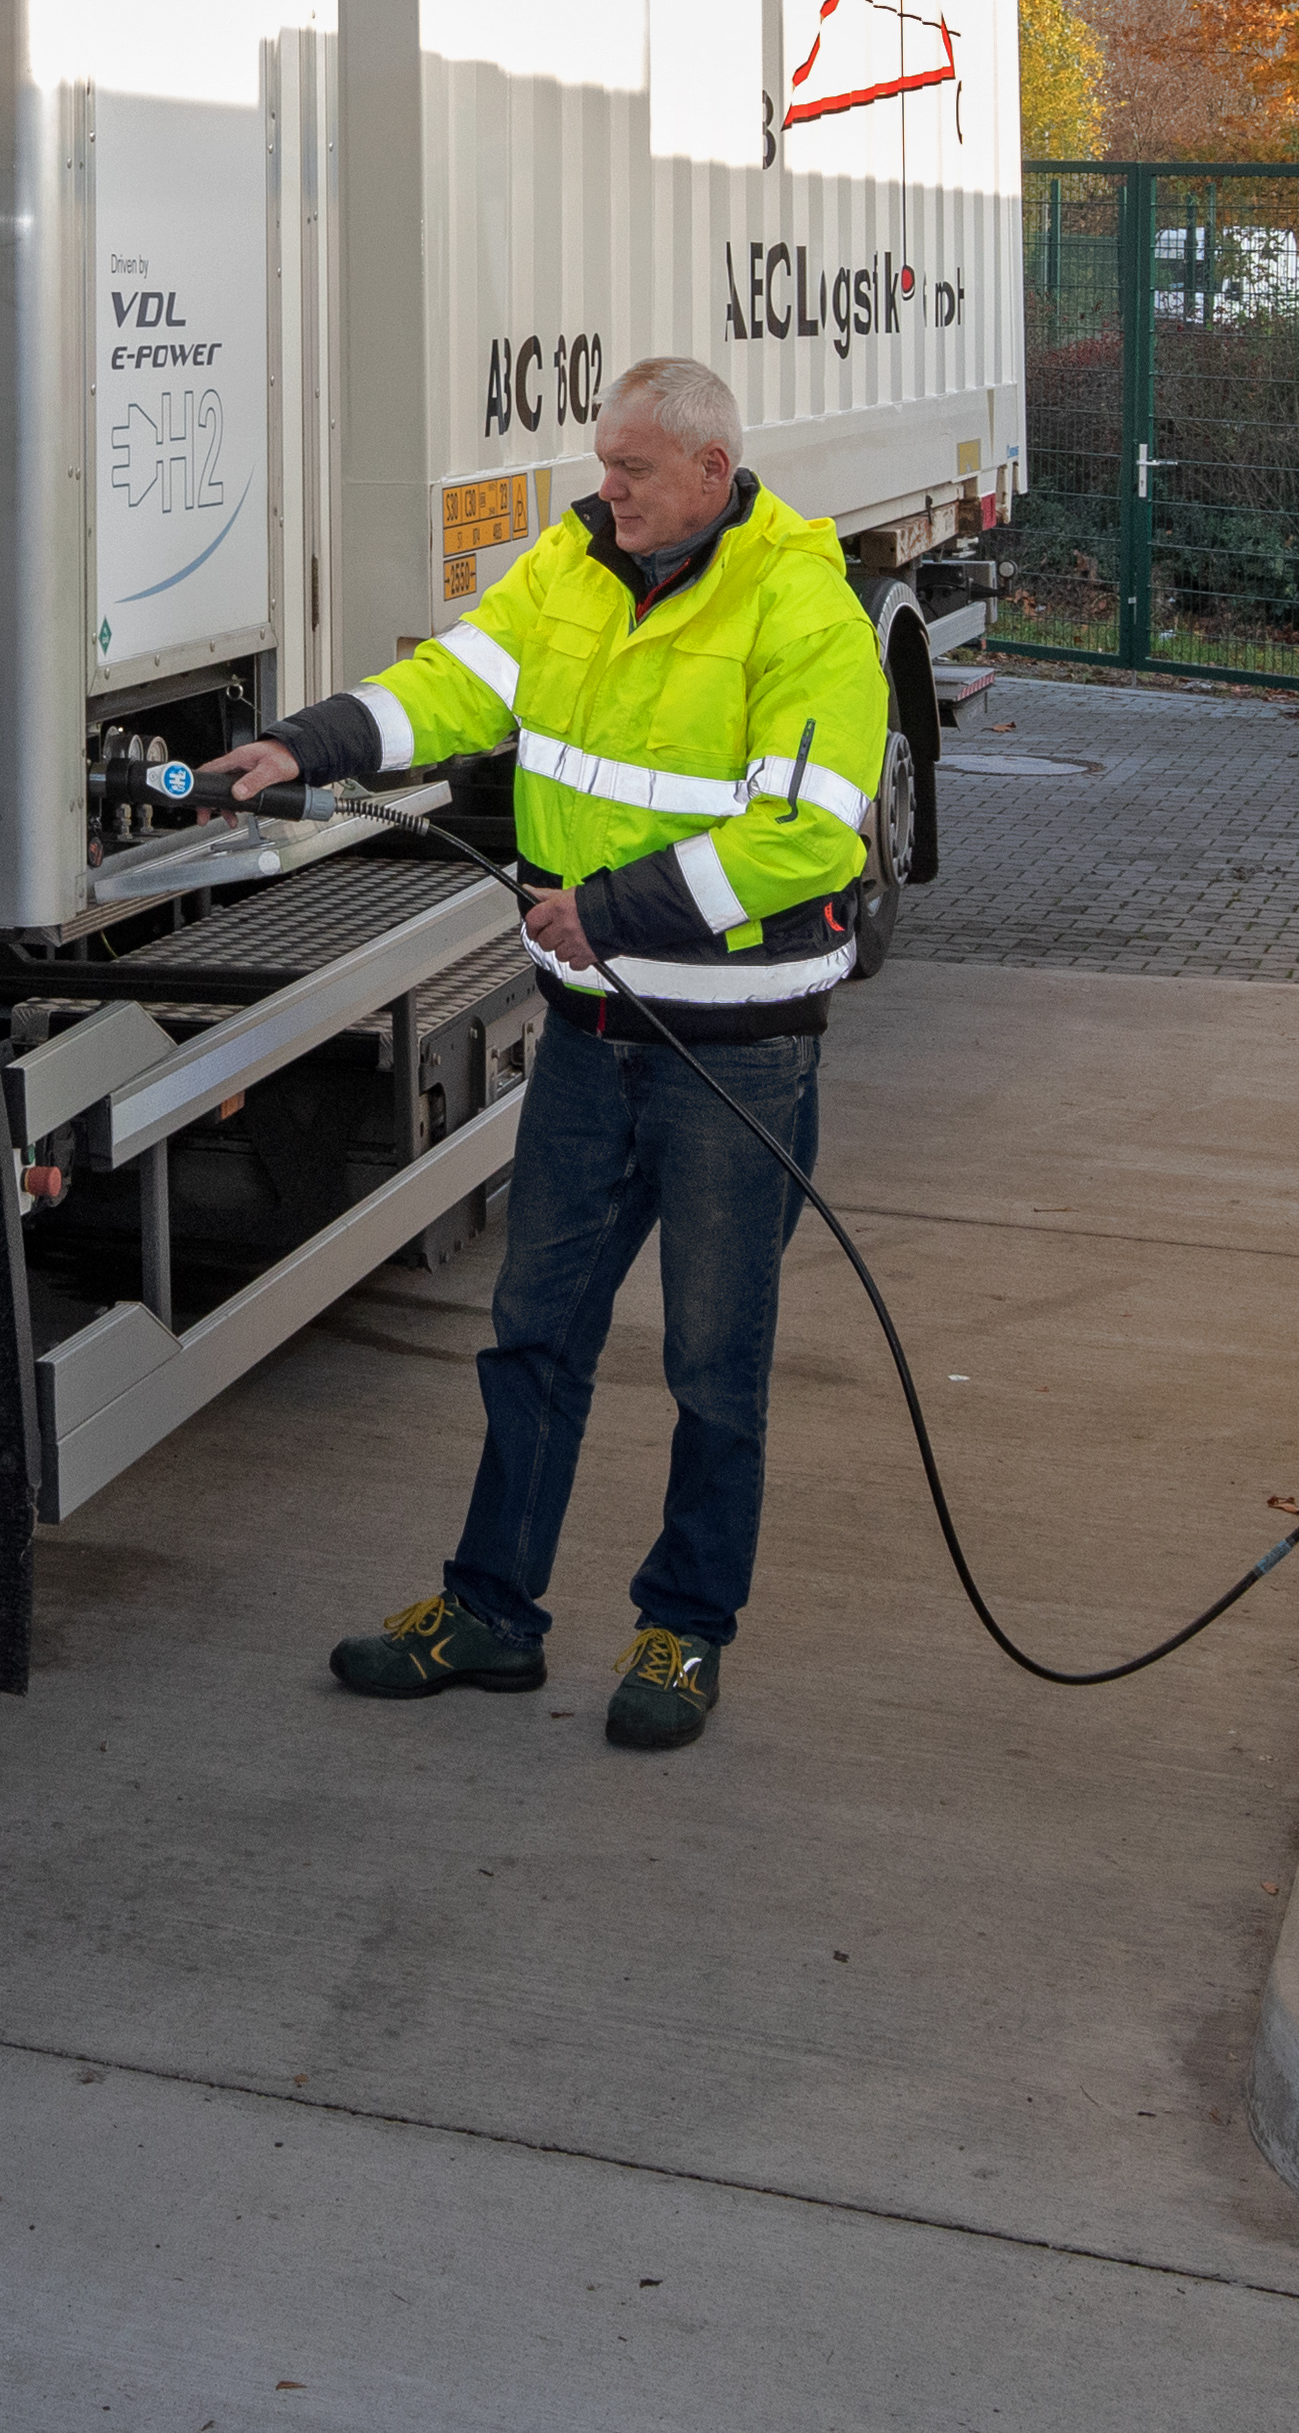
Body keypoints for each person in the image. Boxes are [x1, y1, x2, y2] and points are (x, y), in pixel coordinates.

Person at [197, 354, 890, 1750]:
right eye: (602, 460)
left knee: (711, 1362)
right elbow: (448, 687)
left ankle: (683, 1631)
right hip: (586, 1041)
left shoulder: (799, 605)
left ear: (709, 470)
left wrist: (613, 907)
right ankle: (490, 1613)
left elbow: (809, 832)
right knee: (533, 1337)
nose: (605, 487)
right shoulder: (569, 570)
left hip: (731, 1058)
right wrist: (302, 741)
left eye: (630, 468)